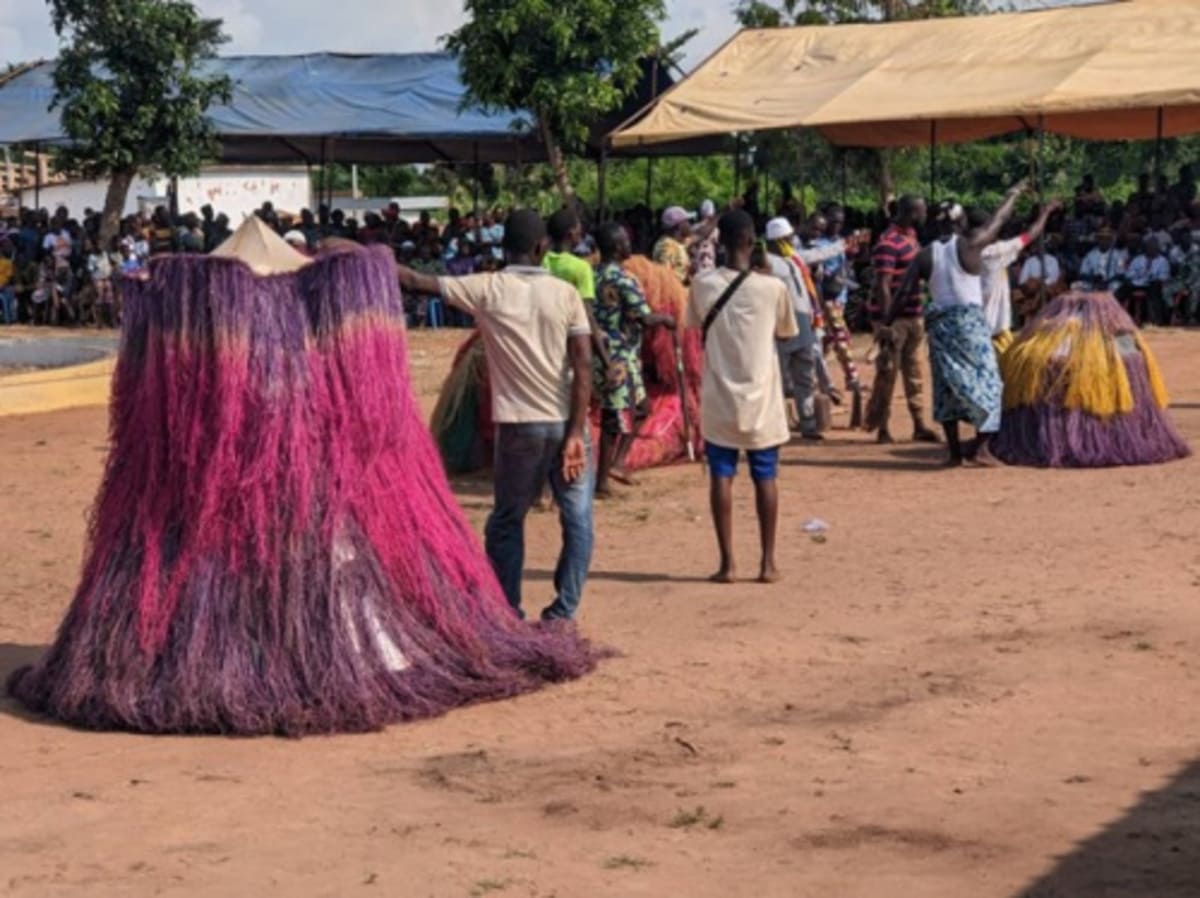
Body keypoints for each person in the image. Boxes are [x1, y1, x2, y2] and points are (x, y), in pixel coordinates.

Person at [398, 210, 594, 622]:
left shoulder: (488, 288)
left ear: (503, 247)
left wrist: (372, 257)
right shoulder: (565, 294)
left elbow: (417, 282)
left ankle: (508, 611)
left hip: (518, 425)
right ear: (543, 248)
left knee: (508, 519)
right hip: (564, 422)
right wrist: (577, 431)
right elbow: (584, 366)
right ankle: (563, 613)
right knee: (576, 518)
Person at [688, 209, 798, 585]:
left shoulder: (703, 285)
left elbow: (693, 324)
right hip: (762, 399)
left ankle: (728, 563)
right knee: (765, 476)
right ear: (752, 243)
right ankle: (767, 563)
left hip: (720, 396)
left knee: (722, 475)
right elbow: (785, 332)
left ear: (720, 242)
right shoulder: (772, 288)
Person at [889, 181, 1026, 466]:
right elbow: (999, 220)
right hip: (971, 325)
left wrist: (885, 323)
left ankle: (953, 453)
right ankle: (982, 448)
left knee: (946, 388)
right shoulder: (971, 244)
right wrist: (1012, 194)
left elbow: (903, 293)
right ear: (961, 222)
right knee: (989, 383)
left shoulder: (924, 255)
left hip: (940, 326)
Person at [591, 222, 676, 497]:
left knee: (641, 407)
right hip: (618, 356)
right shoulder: (623, 279)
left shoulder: (592, 275)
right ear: (617, 247)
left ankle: (617, 463)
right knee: (612, 418)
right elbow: (644, 317)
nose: (631, 245)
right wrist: (665, 319)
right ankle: (601, 482)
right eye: (626, 241)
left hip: (606, 351)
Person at [869, 195, 940, 445]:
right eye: (921, 212)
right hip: (896, 318)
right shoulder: (888, 243)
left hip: (914, 315)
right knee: (888, 372)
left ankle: (919, 424)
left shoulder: (910, 239)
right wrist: (887, 322)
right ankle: (882, 427)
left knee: (915, 371)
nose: (924, 217)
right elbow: (883, 284)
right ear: (912, 213)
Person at [764, 216, 836, 439]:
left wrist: (843, 245)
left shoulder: (794, 259)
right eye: (787, 238)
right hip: (781, 325)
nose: (792, 241)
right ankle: (776, 425)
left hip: (803, 323)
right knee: (777, 377)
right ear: (777, 241)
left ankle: (808, 423)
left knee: (805, 375)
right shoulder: (766, 263)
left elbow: (817, 255)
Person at [981, 201, 1060, 350]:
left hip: (977, 324)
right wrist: (1045, 213)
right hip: (993, 326)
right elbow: (1030, 234)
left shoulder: (961, 251)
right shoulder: (997, 252)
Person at [1121, 236, 1172, 325]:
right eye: (1149, 246)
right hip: (1137, 283)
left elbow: (1164, 276)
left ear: (1157, 248)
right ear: (1145, 247)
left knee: (1155, 290)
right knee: (1122, 288)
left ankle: (1153, 320)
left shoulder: (1163, 261)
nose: (1151, 248)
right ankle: (1116, 315)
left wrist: (1152, 277)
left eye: (1153, 246)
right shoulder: (1138, 259)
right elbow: (1129, 273)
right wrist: (1139, 275)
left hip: (1152, 285)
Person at [1080, 226, 1128, 293]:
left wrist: (1108, 281)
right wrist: (1093, 278)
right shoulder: (1090, 255)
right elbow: (1083, 273)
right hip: (1093, 284)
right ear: (1098, 240)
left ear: (1111, 241)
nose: (1104, 241)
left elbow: (1121, 274)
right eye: (1102, 239)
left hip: (1111, 284)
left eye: (1107, 239)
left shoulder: (1118, 255)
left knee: (1118, 286)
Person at [653, 206, 692, 285]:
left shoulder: (677, 242)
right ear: (679, 225)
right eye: (687, 221)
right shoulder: (667, 246)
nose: (689, 224)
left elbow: (700, 234)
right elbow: (665, 279)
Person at [0, 237, 17, 324]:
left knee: (7, 295)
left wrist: (2, 286)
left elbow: (9, 278)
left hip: (5, 287)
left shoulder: (7, 262)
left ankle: (8, 319)